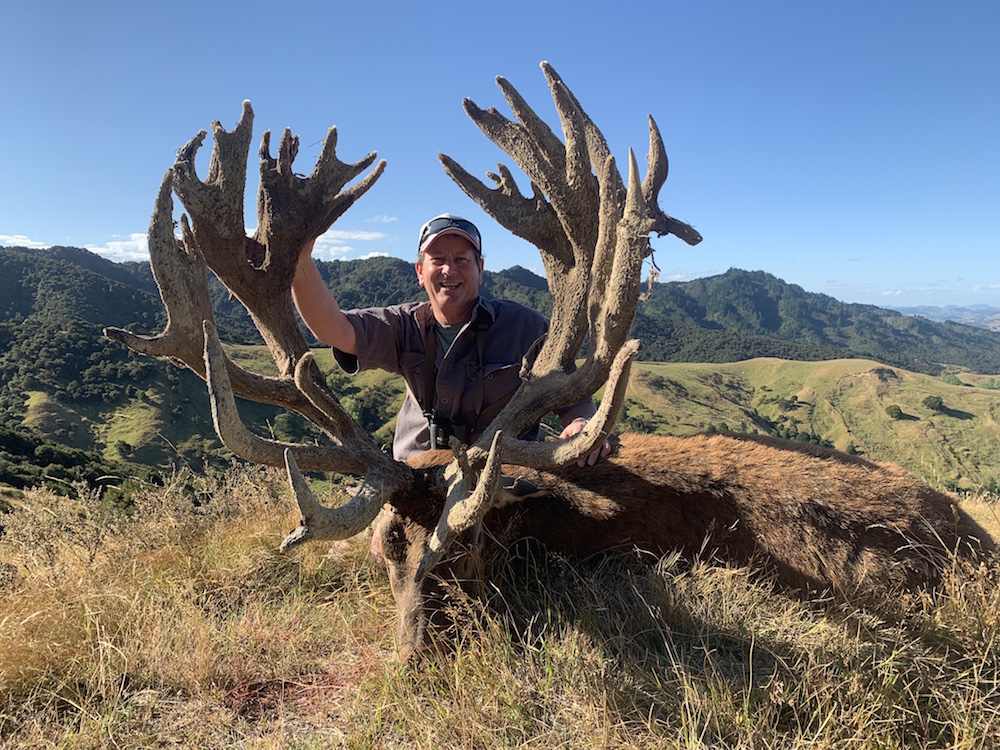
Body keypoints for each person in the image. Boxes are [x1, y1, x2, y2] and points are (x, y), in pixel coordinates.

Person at [291, 213, 611, 466]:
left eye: (461, 259)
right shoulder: (404, 325)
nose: (449, 269)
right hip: (415, 479)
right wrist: (299, 258)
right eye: (438, 259)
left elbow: (572, 394)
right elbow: (333, 329)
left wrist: (581, 422)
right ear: (419, 271)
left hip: (500, 480)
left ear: (480, 269)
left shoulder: (526, 328)